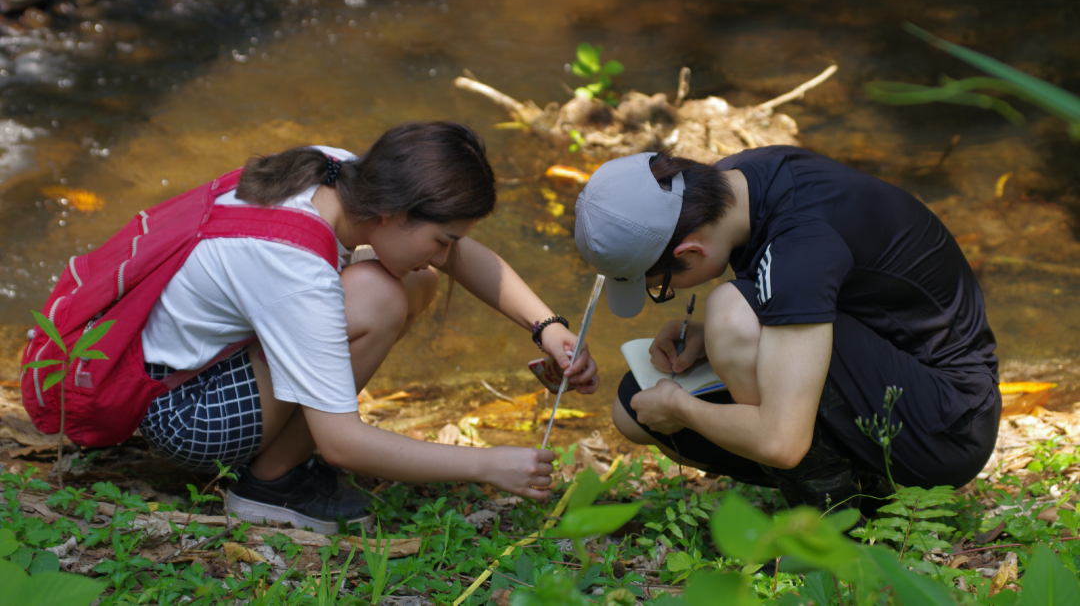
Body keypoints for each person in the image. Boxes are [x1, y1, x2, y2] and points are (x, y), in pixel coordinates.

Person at [136, 121, 597, 533]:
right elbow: (342, 444)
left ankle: (286, 451)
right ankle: (269, 484)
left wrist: (547, 327)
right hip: (185, 411)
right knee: (378, 295)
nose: (443, 253)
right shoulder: (295, 265)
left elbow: (457, 254)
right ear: (395, 214)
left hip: (200, 365)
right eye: (440, 239)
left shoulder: (339, 173)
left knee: (413, 282)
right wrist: (486, 465)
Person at [573, 146, 1000, 510]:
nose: (662, 293)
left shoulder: (800, 248)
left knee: (730, 314)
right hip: (889, 364)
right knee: (633, 407)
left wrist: (682, 409)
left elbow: (782, 443)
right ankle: (859, 480)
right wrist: (707, 338)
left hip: (948, 424)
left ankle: (829, 508)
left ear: (691, 250)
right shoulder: (741, 180)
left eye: (660, 285)